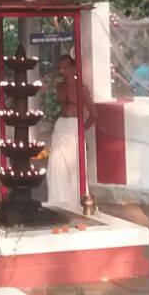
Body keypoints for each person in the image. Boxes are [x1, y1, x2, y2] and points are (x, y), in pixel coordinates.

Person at [47, 52, 93, 208]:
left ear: (74, 68)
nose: (62, 72)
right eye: (60, 68)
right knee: (56, 167)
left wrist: (81, 131)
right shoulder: (59, 86)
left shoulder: (81, 88)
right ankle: (58, 202)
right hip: (61, 127)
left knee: (75, 168)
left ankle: (77, 203)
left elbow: (94, 114)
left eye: (65, 68)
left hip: (74, 127)